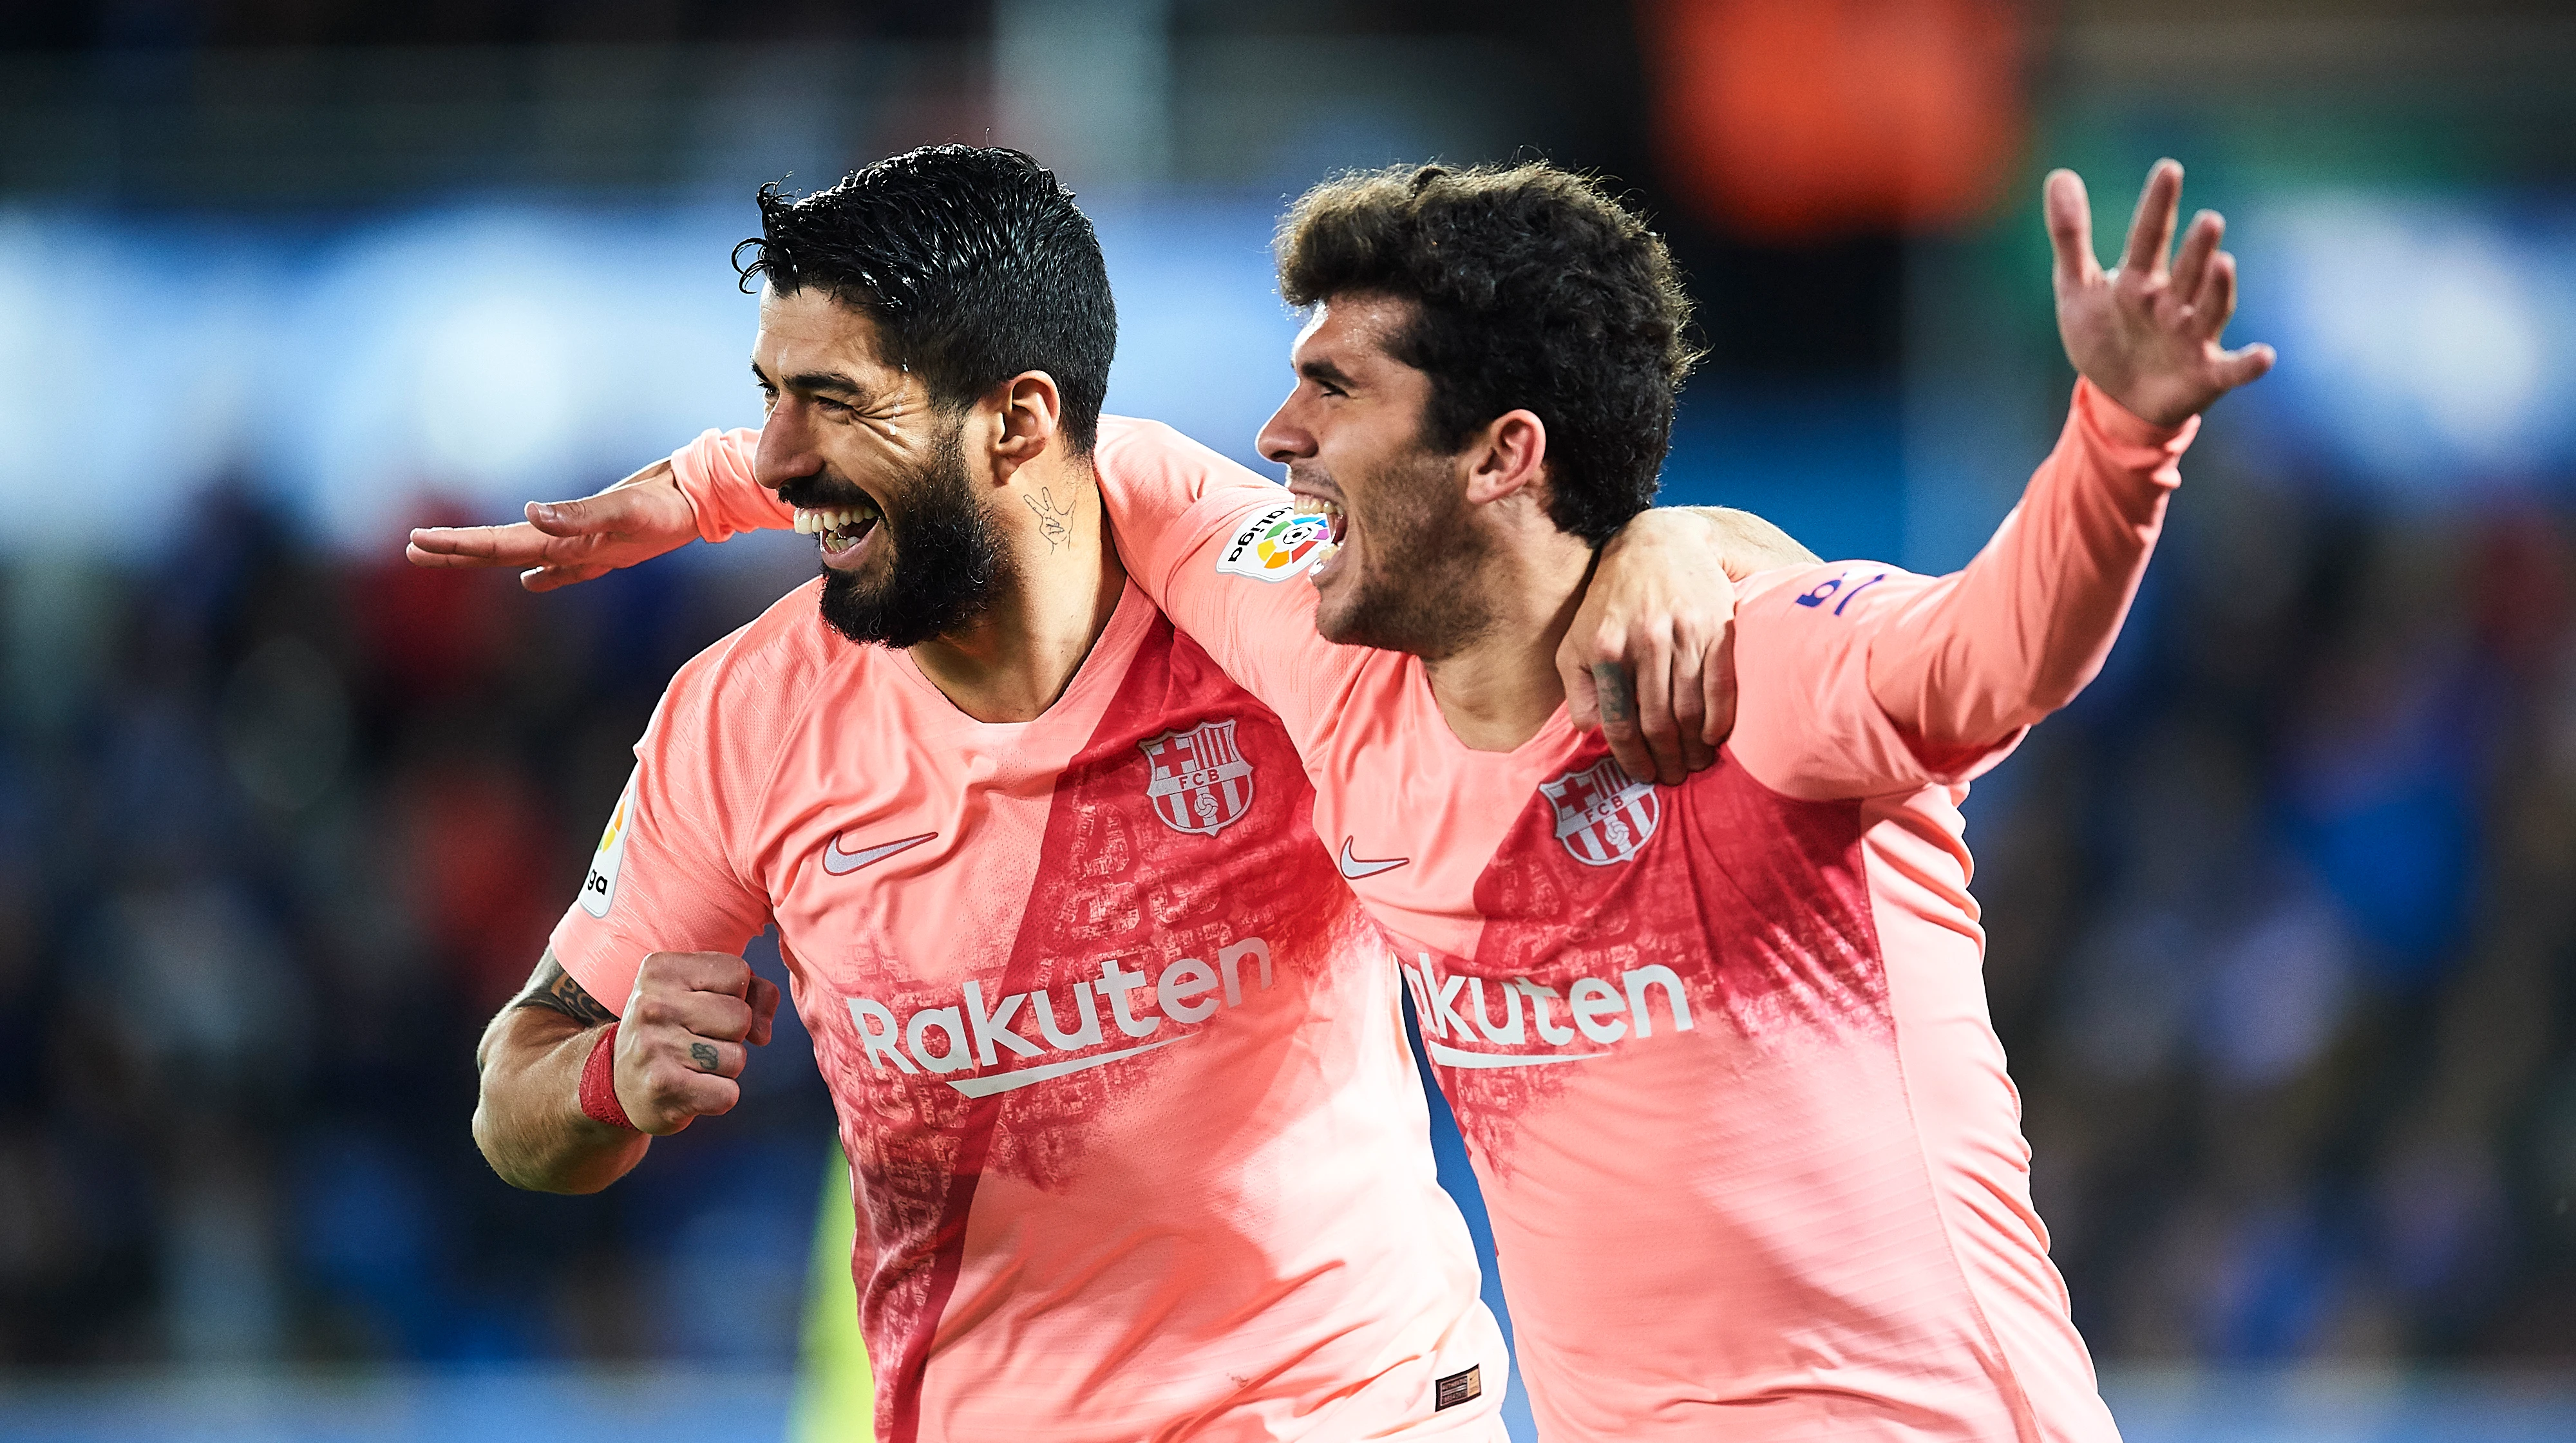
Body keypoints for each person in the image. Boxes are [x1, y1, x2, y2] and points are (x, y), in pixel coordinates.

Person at [439, 154, 2271, 1439]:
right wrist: (706, 491)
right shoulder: (1307, 665)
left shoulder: (1677, 663)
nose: (1282, 436)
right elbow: (1108, 457)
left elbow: (1985, 660)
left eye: (1327, 389)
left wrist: (2105, 448)